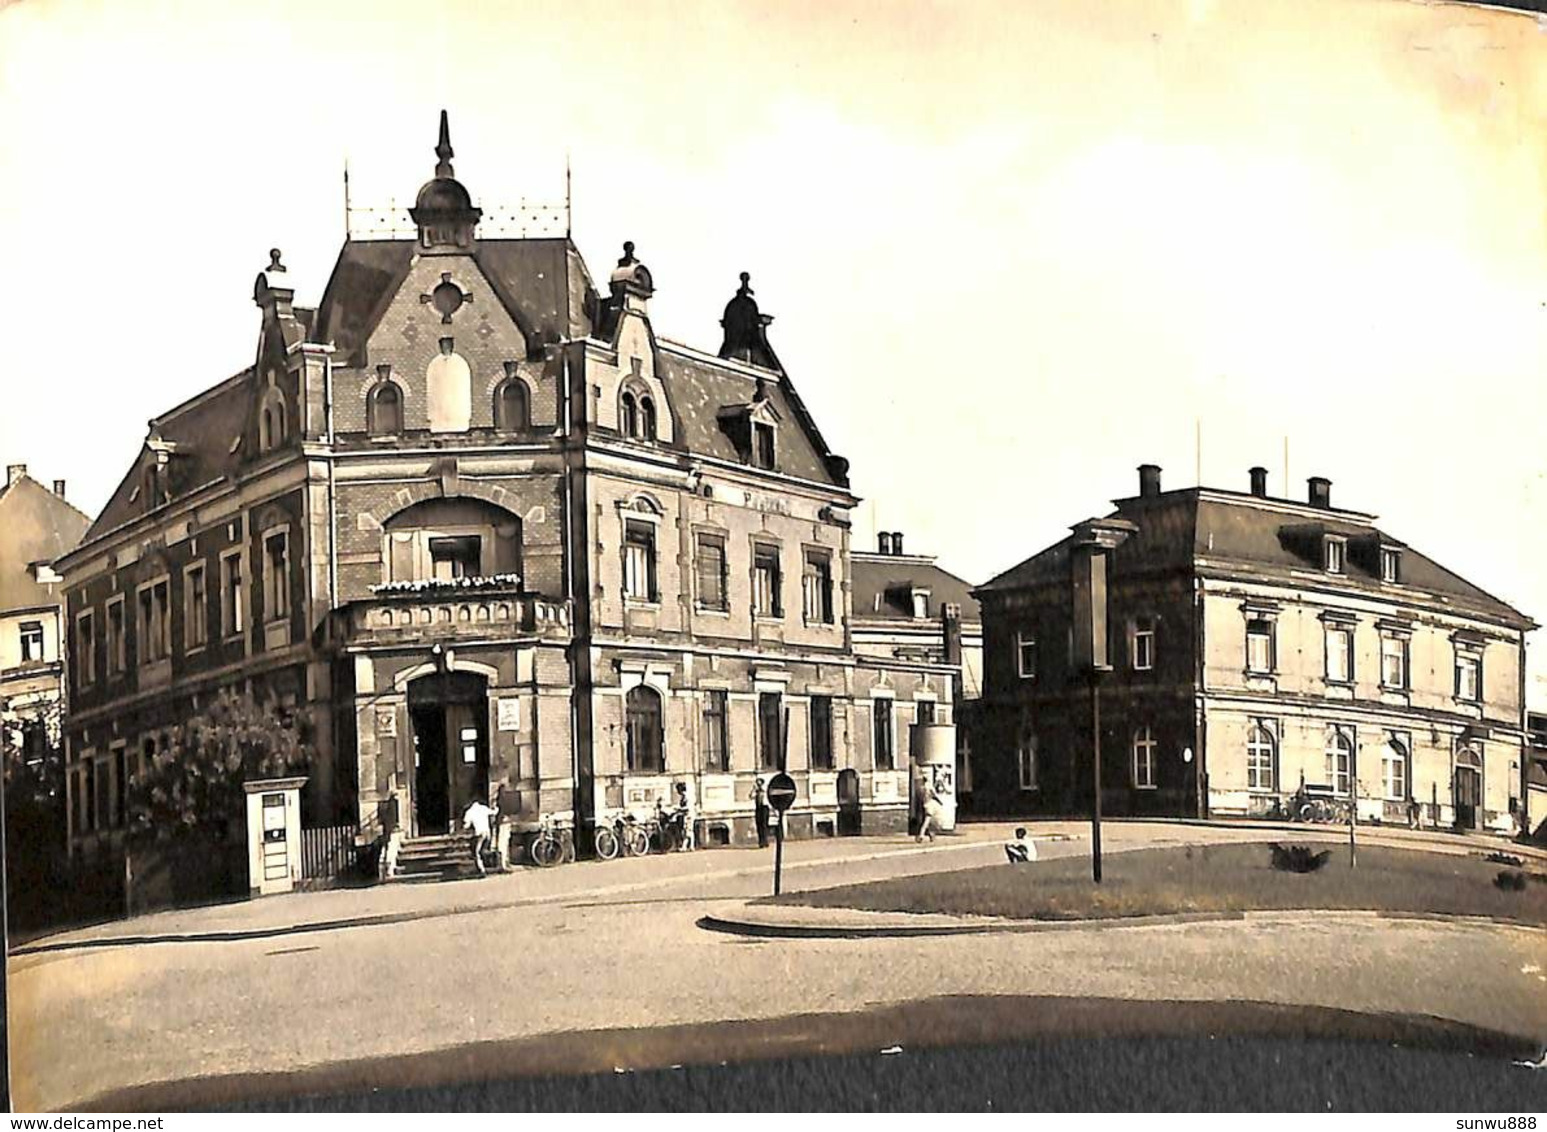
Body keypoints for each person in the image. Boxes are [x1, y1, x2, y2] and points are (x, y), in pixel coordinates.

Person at [462, 793, 498, 877]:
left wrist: (464, 828)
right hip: (487, 832)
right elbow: (494, 812)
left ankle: (482, 870)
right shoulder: (483, 808)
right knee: (483, 849)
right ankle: (491, 857)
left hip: (479, 834)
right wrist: (496, 806)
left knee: (476, 852)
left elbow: (466, 825)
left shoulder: (469, 812)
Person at [674, 781, 696, 851]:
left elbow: (688, 807)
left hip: (689, 814)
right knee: (686, 830)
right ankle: (687, 846)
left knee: (688, 830)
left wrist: (678, 809)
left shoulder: (687, 797)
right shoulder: (683, 797)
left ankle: (690, 846)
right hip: (686, 815)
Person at [753, 777, 770, 848]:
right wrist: (753, 790)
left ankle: (765, 841)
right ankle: (760, 842)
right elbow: (750, 796)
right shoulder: (756, 791)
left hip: (764, 808)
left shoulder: (765, 791)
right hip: (758, 809)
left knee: (764, 825)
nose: (758, 784)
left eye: (759, 783)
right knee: (758, 825)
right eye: (757, 783)